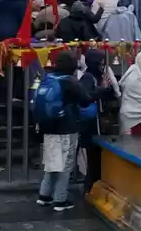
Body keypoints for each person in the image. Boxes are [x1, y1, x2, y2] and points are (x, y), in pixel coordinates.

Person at [37, 51, 97, 211]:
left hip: (49, 127)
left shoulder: (49, 78)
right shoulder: (70, 81)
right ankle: (60, 199)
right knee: (66, 163)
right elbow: (85, 101)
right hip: (67, 127)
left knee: (51, 161)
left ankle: (44, 195)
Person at [76, 49, 120, 192]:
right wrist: (103, 90)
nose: (103, 67)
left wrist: (107, 89)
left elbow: (112, 94)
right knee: (94, 162)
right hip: (92, 126)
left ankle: (93, 189)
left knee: (97, 161)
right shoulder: (88, 78)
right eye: (101, 64)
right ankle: (89, 190)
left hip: (98, 124)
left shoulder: (98, 77)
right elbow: (87, 96)